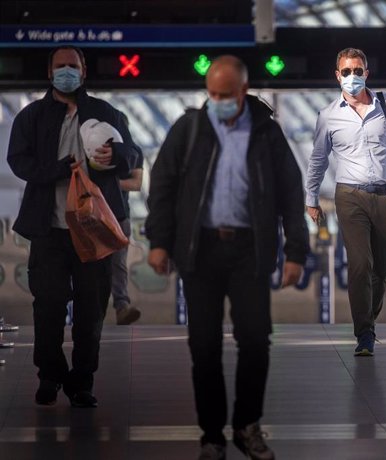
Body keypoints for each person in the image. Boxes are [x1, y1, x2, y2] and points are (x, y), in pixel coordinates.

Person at [146, 55, 308, 460]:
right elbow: (163, 185)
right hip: (200, 251)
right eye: (212, 93)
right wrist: (159, 242)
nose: (217, 100)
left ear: (243, 91)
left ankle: (247, 425)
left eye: (226, 94)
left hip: (248, 252)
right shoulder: (190, 129)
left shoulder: (266, 133)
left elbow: (291, 192)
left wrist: (295, 252)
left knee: (255, 340)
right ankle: (212, 435)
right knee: (203, 345)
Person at [7, 45, 136, 408]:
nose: (67, 72)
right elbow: (18, 160)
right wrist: (58, 169)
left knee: (90, 311)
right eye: (60, 66)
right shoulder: (32, 116)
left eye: (73, 66)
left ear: (84, 71)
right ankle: (49, 375)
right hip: (48, 231)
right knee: (47, 305)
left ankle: (82, 381)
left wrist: (117, 156)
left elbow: (134, 155)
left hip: (93, 231)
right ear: (50, 74)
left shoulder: (105, 112)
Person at [305, 47, 386, 356]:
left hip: (385, 195)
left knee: (382, 269)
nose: (353, 76)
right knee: (360, 264)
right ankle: (364, 333)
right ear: (337, 76)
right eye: (346, 71)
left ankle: (369, 320)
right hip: (349, 195)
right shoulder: (328, 116)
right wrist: (311, 196)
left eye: (358, 70)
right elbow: (318, 159)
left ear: (366, 73)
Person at [111, 136, 144, 325]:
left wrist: (107, 183)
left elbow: (136, 183)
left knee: (118, 264)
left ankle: (121, 307)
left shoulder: (133, 150)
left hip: (119, 215)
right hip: (91, 215)